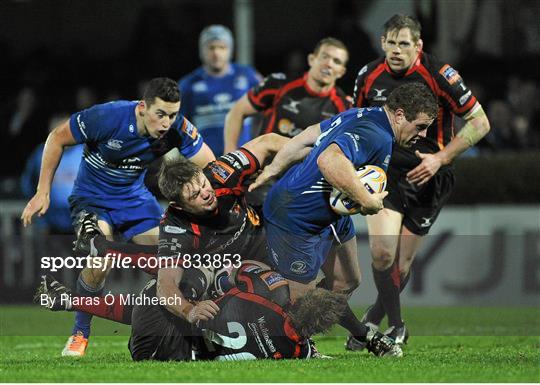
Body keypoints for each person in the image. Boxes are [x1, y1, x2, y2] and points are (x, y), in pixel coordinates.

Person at [20, 77, 216, 357]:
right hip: (92, 200)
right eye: (160, 114)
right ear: (142, 107)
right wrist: (43, 191)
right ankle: (80, 333)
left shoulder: (177, 129)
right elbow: (56, 138)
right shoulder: (107, 116)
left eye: (172, 115)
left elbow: (212, 164)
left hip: (136, 201)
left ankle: (187, 325)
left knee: (175, 254)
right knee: (100, 261)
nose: (165, 123)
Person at [250, 82, 438, 358]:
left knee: (346, 282)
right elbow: (329, 159)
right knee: (300, 304)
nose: (423, 135)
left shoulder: (363, 114)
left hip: (333, 214)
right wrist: (367, 199)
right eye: (420, 126)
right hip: (296, 215)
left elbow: (309, 135)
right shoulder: (376, 134)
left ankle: (357, 334)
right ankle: (300, 343)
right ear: (399, 115)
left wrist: (275, 167)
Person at [350, 14, 491, 348]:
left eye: (404, 43)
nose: (396, 50)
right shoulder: (368, 76)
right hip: (386, 174)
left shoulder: (440, 74)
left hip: (431, 177)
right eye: (391, 43)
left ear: (418, 45)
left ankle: (373, 318)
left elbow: (480, 122)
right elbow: (354, 121)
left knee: (402, 263)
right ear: (382, 42)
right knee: (383, 255)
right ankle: (397, 326)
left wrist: (440, 159)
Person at [36, 261, 348, 361]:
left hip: (158, 323)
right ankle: (69, 301)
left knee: (192, 273)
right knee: (170, 311)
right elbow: (312, 352)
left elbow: (228, 271)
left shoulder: (268, 293)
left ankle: (75, 297)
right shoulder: (299, 351)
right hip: (157, 353)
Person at [223, 37, 350, 154]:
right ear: (311, 59)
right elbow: (237, 112)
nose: (329, 64)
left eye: (336, 61)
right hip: (262, 169)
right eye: (324, 56)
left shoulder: (344, 107)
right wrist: (229, 152)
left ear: (341, 72)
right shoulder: (279, 84)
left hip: (303, 175)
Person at [179, 25, 261, 156]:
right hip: (205, 160)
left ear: (230, 50)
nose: (216, 53)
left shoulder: (248, 76)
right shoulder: (188, 84)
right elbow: (178, 124)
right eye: (211, 47)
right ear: (201, 51)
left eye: (222, 47)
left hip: (244, 159)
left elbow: (266, 111)